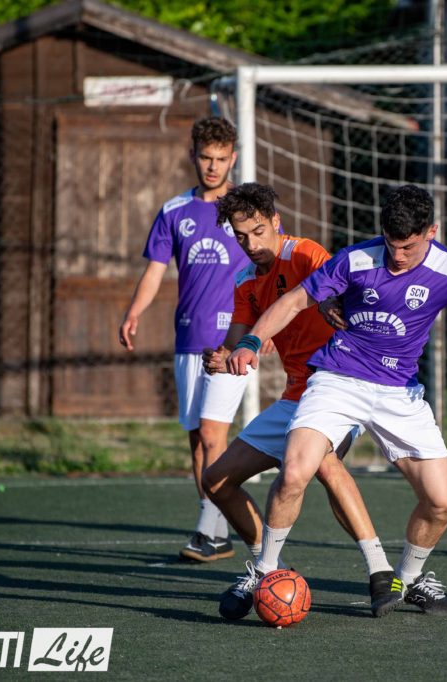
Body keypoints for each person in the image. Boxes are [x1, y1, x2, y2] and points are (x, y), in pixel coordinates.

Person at [227, 184, 447, 615]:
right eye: (390, 243)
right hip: (338, 379)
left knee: (443, 502)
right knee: (294, 472)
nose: (397, 255)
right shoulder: (356, 259)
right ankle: (264, 571)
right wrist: (251, 341)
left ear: (432, 232)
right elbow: (292, 302)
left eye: (408, 246)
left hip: (398, 391)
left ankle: (409, 579)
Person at [197, 182, 396, 619]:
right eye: (241, 236)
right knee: (216, 481)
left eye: (258, 232)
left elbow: (340, 289)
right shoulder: (245, 281)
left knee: (321, 464)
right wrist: (223, 357)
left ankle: (381, 572)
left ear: (276, 222)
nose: (251, 244)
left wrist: (334, 304)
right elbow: (238, 340)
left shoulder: (305, 254)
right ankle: (269, 569)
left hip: (338, 387)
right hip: (295, 395)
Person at [118, 117, 250, 562]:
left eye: (221, 159)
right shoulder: (174, 210)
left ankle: (209, 530)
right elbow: (155, 270)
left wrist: (264, 330)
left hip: (232, 340)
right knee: (198, 439)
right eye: (206, 158)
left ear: (233, 158)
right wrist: (134, 311)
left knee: (214, 434)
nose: (213, 167)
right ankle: (217, 532)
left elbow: (271, 267)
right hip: (188, 337)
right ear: (192, 155)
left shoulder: (247, 208)